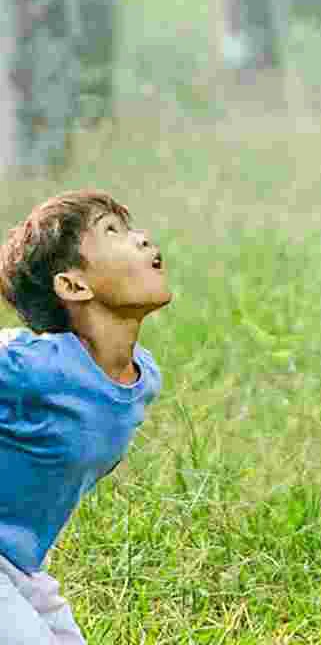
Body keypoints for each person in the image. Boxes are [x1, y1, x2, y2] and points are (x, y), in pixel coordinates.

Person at [0, 191, 170, 645]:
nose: (142, 240)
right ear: (74, 286)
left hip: (20, 564)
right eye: (112, 232)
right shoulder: (31, 365)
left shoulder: (143, 378)